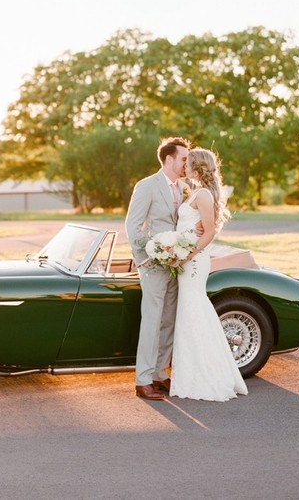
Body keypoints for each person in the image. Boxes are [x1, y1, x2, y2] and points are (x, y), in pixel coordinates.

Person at [170, 147, 248, 401]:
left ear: (197, 167)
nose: (185, 167)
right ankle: (192, 372)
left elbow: (210, 231)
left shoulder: (203, 194)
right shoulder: (194, 191)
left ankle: (204, 376)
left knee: (193, 311)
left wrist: (188, 253)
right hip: (186, 258)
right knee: (191, 312)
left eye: (188, 163)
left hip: (193, 262)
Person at [125, 136, 191, 400]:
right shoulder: (147, 186)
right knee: (151, 321)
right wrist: (146, 257)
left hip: (177, 265)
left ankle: (160, 373)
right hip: (153, 265)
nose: (187, 162)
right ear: (169, 159)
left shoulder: (184, 188)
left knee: (169, 321)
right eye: (184, 158)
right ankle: (142, 380)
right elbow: (133, 226)